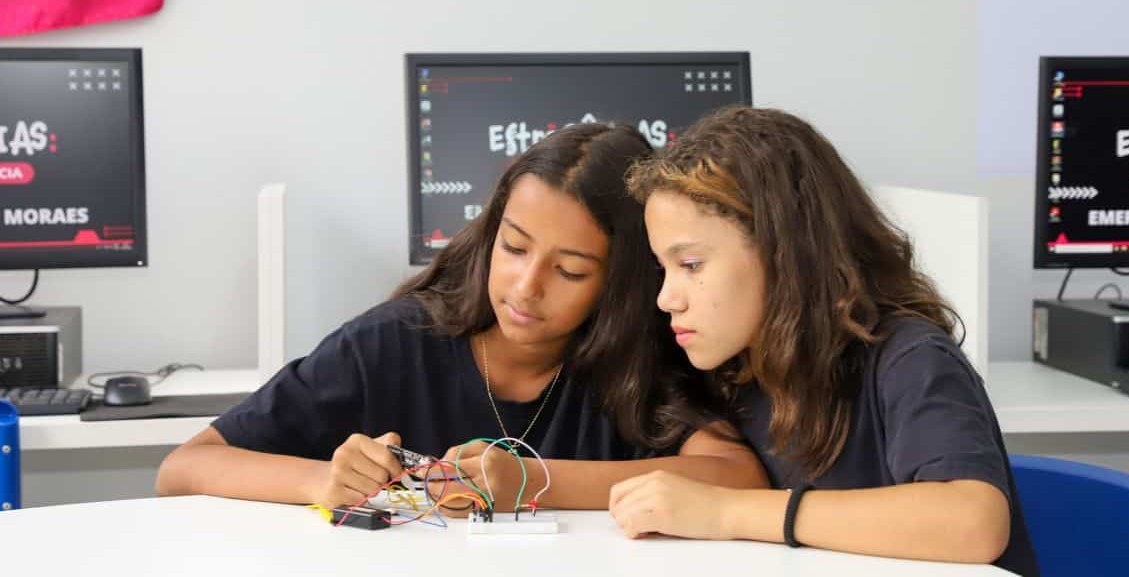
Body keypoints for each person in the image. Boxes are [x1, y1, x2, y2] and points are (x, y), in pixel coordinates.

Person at [156, 122, 767, 512]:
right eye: (515, 247)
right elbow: (184, 467)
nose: (526, 288)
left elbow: (737, 475)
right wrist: (320, 483)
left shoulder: (643, 357)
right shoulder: (393, 343)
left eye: (571, 271)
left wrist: (531, 482)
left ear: (623, 286)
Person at [612, 107, 1038, 575]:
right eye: (663, 268)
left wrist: (725, 511)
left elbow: (973, 521)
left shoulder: (910, 358)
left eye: (691, 265)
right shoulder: (736, 369)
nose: (666, 298)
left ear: (785, 253)